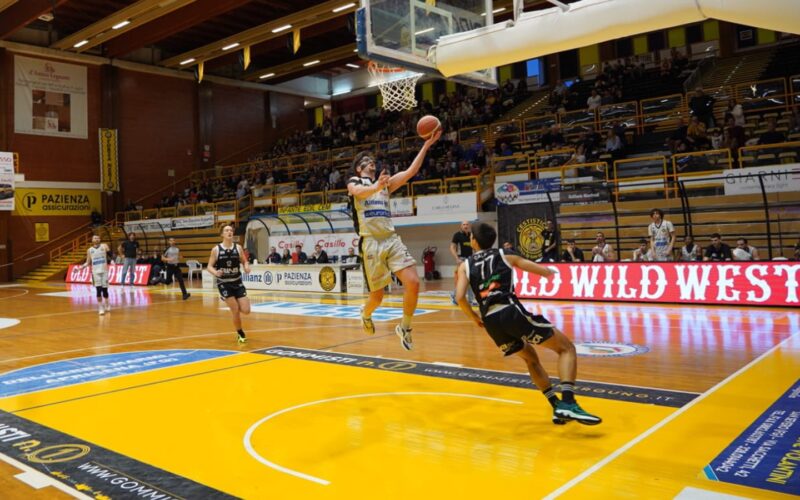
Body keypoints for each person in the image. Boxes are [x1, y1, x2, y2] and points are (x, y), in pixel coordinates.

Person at [454, 221, 601, 425]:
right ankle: (568, 402)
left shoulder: (464, 265)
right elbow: (539, 270)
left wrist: (474, 318)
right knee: (566, 348)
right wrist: (549, 273)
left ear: (473, 241)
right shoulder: (506, 254)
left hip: (491, 322)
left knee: (531, 358)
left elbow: (460, 297)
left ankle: (556, 407)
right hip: (510, 311)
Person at [348, 128, 442, 350]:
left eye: (373, 161)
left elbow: (411, 171)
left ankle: (405, 327)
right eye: (367, 162)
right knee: (377, 298)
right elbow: (358, 192)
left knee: (414, 282)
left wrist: (426, 145)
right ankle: (365, 313)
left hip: (391, 239)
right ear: (360, 168)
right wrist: (376, 186)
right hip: (370, 242)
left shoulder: (385, 185)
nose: (372, 163)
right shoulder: (355, 182)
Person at [207, 225, 251, 343]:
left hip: (237, 281)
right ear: (222, 234)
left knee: (246, 310)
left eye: (231, 230)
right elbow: (209, 267)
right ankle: (240, 333)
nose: (229, 232)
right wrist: (216, 272)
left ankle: (233, 302)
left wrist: (246, 267)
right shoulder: (216, 249)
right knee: (235, 310)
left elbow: (244, 261)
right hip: (224, 283)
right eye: (227, 230)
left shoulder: (238, 248)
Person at [81, 235, 111, 315]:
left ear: (100, 239)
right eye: (95, 238)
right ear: (92, 240)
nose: (97, 239)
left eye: (98, 238)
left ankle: (107, 304)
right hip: (95, 272)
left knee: (105, 291)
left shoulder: (104, 246)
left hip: (104, 271)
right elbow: (88, 262)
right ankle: (101, 307)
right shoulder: (90, 250)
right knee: (98, 290)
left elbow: (110, 255)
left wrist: (112, 260)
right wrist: (81, 267)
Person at [450, 221, 476, 305]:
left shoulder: (472, 235)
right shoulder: (457, 235)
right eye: (464, 224)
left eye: (467, 224)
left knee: (471, 280)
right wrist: (457, 258)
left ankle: (470, 300)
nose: (465, 226)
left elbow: (475, 246)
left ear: (469, 226)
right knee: (463, 280)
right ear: (461, 226)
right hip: (461, 259)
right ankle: (455, 296)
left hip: (471, 259)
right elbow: (452, 247)